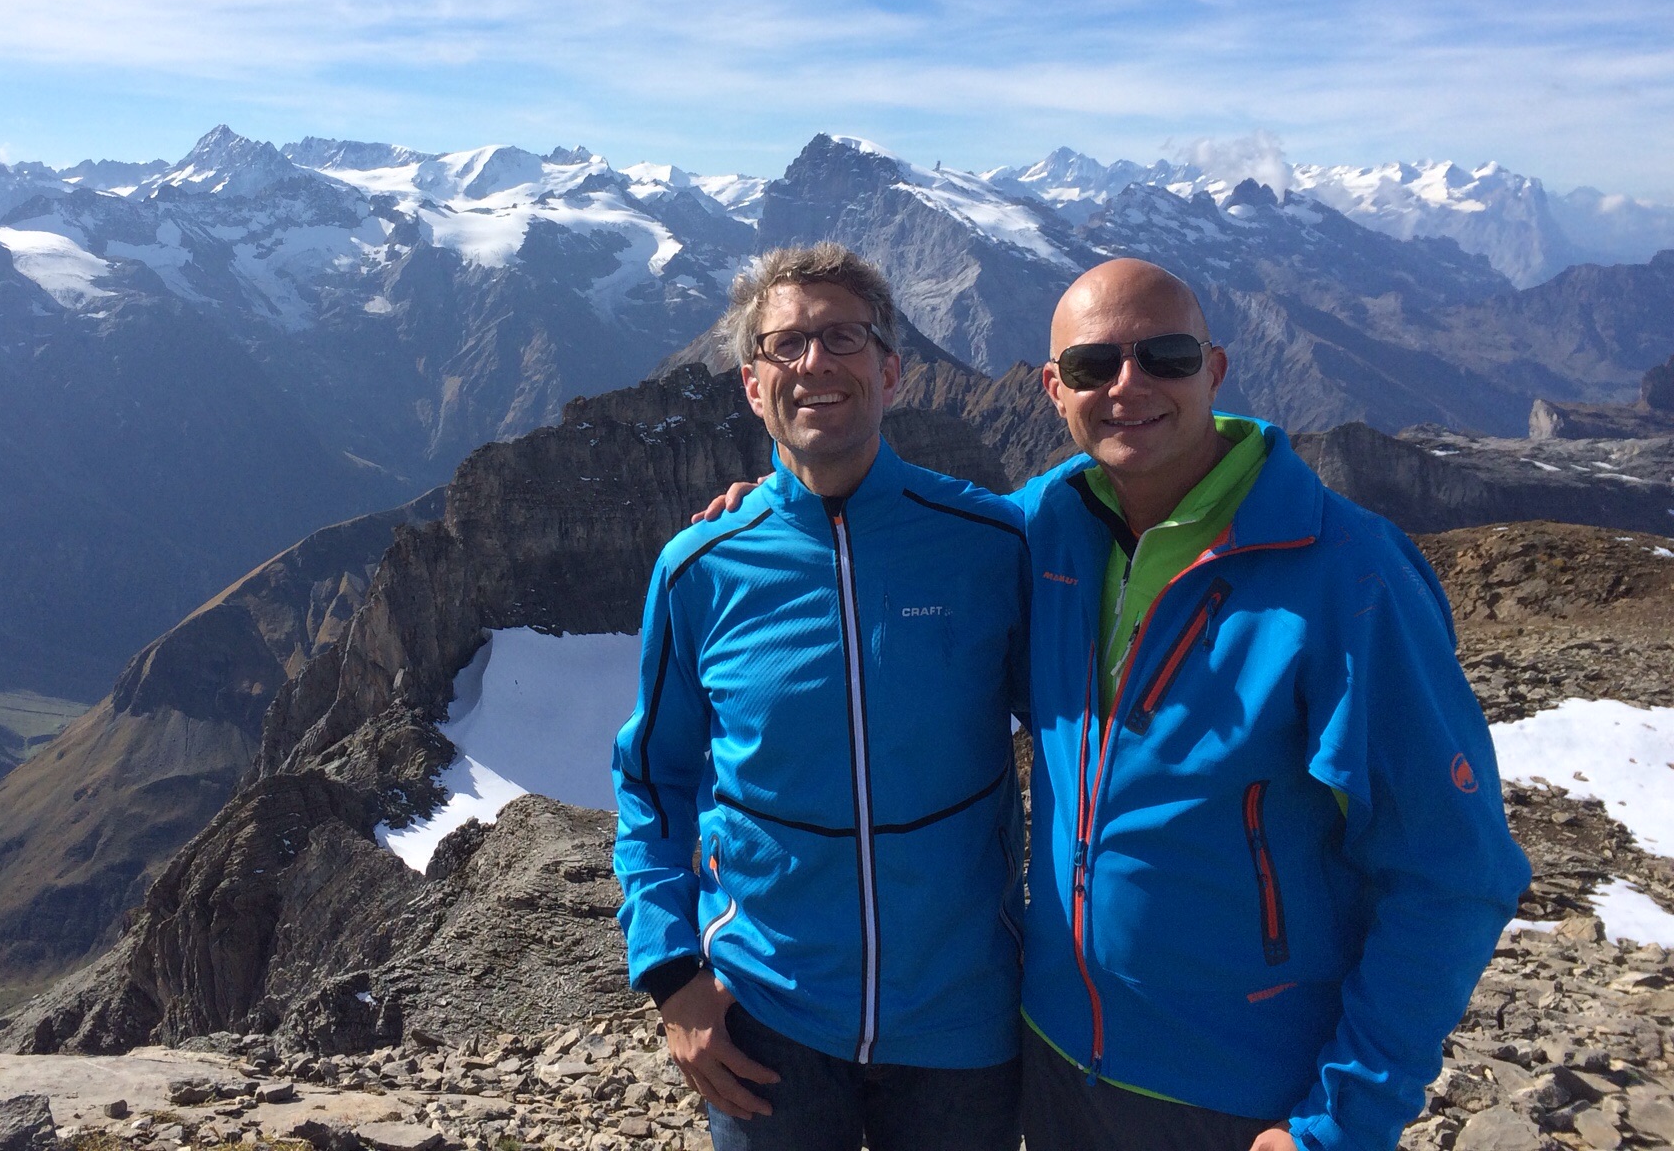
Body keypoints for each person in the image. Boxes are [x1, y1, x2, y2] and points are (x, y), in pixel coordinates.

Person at [694, 256, 1530, 1151]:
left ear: (1215, 368)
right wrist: (785, 513)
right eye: (1094, 368)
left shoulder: (1352, 576)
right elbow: (904, 549)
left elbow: (1452, 870)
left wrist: (1342, 1119)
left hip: (1245, 1090)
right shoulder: (1040, 527)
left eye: (1164, 356)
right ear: (1054, 389)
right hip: (1055, 1059)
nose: (1128, 386)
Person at [612, 242, 1030, 1151]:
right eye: (784, 346)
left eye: (842, 337)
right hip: (767, 1019)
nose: (814, 364)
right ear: (753, 385)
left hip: (961, 1016)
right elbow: (652, 780)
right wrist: (670, 974)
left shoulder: (992, 544)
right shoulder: (698, 571)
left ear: (892, 370)